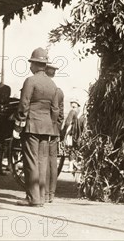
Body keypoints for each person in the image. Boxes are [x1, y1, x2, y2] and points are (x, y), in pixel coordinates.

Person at [13, 47, 58, 207]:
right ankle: (42, 197)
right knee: (42, 162)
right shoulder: (52, 84)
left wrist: (19, 124)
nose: (30, 66)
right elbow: (55, 109)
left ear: (34, 64)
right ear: (44, 65)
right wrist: (50, 125)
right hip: (47, 128)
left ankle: (33, 198)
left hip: (32, 125)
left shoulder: (30, 81)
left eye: (31, 63)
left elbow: (23, 104)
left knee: (31, 161)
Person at [44, 61, 64, 203]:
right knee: (52, 162)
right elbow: (60, 115)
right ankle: (51, 194)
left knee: (44, 161)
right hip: (55, 131)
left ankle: (45, 194)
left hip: (46, 130)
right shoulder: (59, 91)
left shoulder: (46, 90)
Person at [62, 100, 81, 174]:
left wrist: (64, 131)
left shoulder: (72, 112)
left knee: (70, 148)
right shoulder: (79, 112)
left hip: (71, 133)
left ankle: (70, 167)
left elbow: (67, 123)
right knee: (74, 149)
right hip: (77, 133)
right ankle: (73, 165)